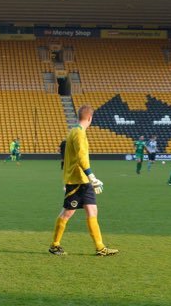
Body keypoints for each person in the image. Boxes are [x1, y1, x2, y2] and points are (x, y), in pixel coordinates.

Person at [49, 105, 118, 257]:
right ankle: (55, 245)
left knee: (92, 210)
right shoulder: (78, 133)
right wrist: (92, 176)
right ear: (89, 118)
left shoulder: (75, 131)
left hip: (83, 180)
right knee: (67, 212)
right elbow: (80, 158)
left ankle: (100, 247)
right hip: (76, 180)